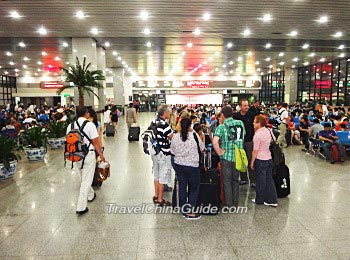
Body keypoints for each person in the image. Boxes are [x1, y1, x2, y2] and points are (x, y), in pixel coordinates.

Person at [66, 106, 105, 216]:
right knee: (86, 180)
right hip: (88, 154)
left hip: (76, 155)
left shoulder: (70, 126)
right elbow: (95, 142)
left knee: (84, 176)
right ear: (87, 113)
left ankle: (91, 195)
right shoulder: (89, 125)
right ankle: (81, 207)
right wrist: (101, 155)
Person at [170, 117, 205, 220]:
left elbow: (172, 151)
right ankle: (190, 211)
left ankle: (183, 209)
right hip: (192, 166)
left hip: (179, 166)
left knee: (182, 187)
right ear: (190, 125)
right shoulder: (194, 135)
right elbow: (202, 148)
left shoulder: (175, 136)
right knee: (194, 188)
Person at [212, 106, 245, 208]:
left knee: (227, 181)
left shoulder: (221, 127)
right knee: (235, 180)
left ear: (222, 115)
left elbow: (214, 142)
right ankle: (235, 203)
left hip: (226, 157)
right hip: (238, 156)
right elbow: (243, 136)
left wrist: (219, 152)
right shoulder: (240, 123)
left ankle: (228, 204)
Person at [251, 115, 278, 207]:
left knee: (260, 181)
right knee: (269, 179)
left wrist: (252, 162)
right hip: (269, 158)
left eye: (255, 121)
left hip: (260, 159)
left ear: (259, 123)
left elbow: (255, 150)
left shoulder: (257, 135)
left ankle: (260, 199)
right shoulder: (268, 130)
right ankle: (272, 199)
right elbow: (274, 140)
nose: (253, 123)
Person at [151, 105, 174, 206]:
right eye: (168, 112)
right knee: (163, 176)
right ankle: (160, 199)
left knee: (156, 175)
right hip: (163, 153)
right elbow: (172, 137)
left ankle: (156, 196)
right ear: (164, 113)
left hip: (154, 152)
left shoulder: (154, 121)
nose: (169, 113)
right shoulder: (164, 124)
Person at [233, 99, 256, 187]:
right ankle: (243, 178)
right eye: (245, 105)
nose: (247, 107)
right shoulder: (236, 117)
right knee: (241, 160)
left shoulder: (251, 115)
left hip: (249, 141)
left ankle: (253, 180)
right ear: (240, 106)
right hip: (239, 142)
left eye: (247, 105)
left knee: (251, 160)